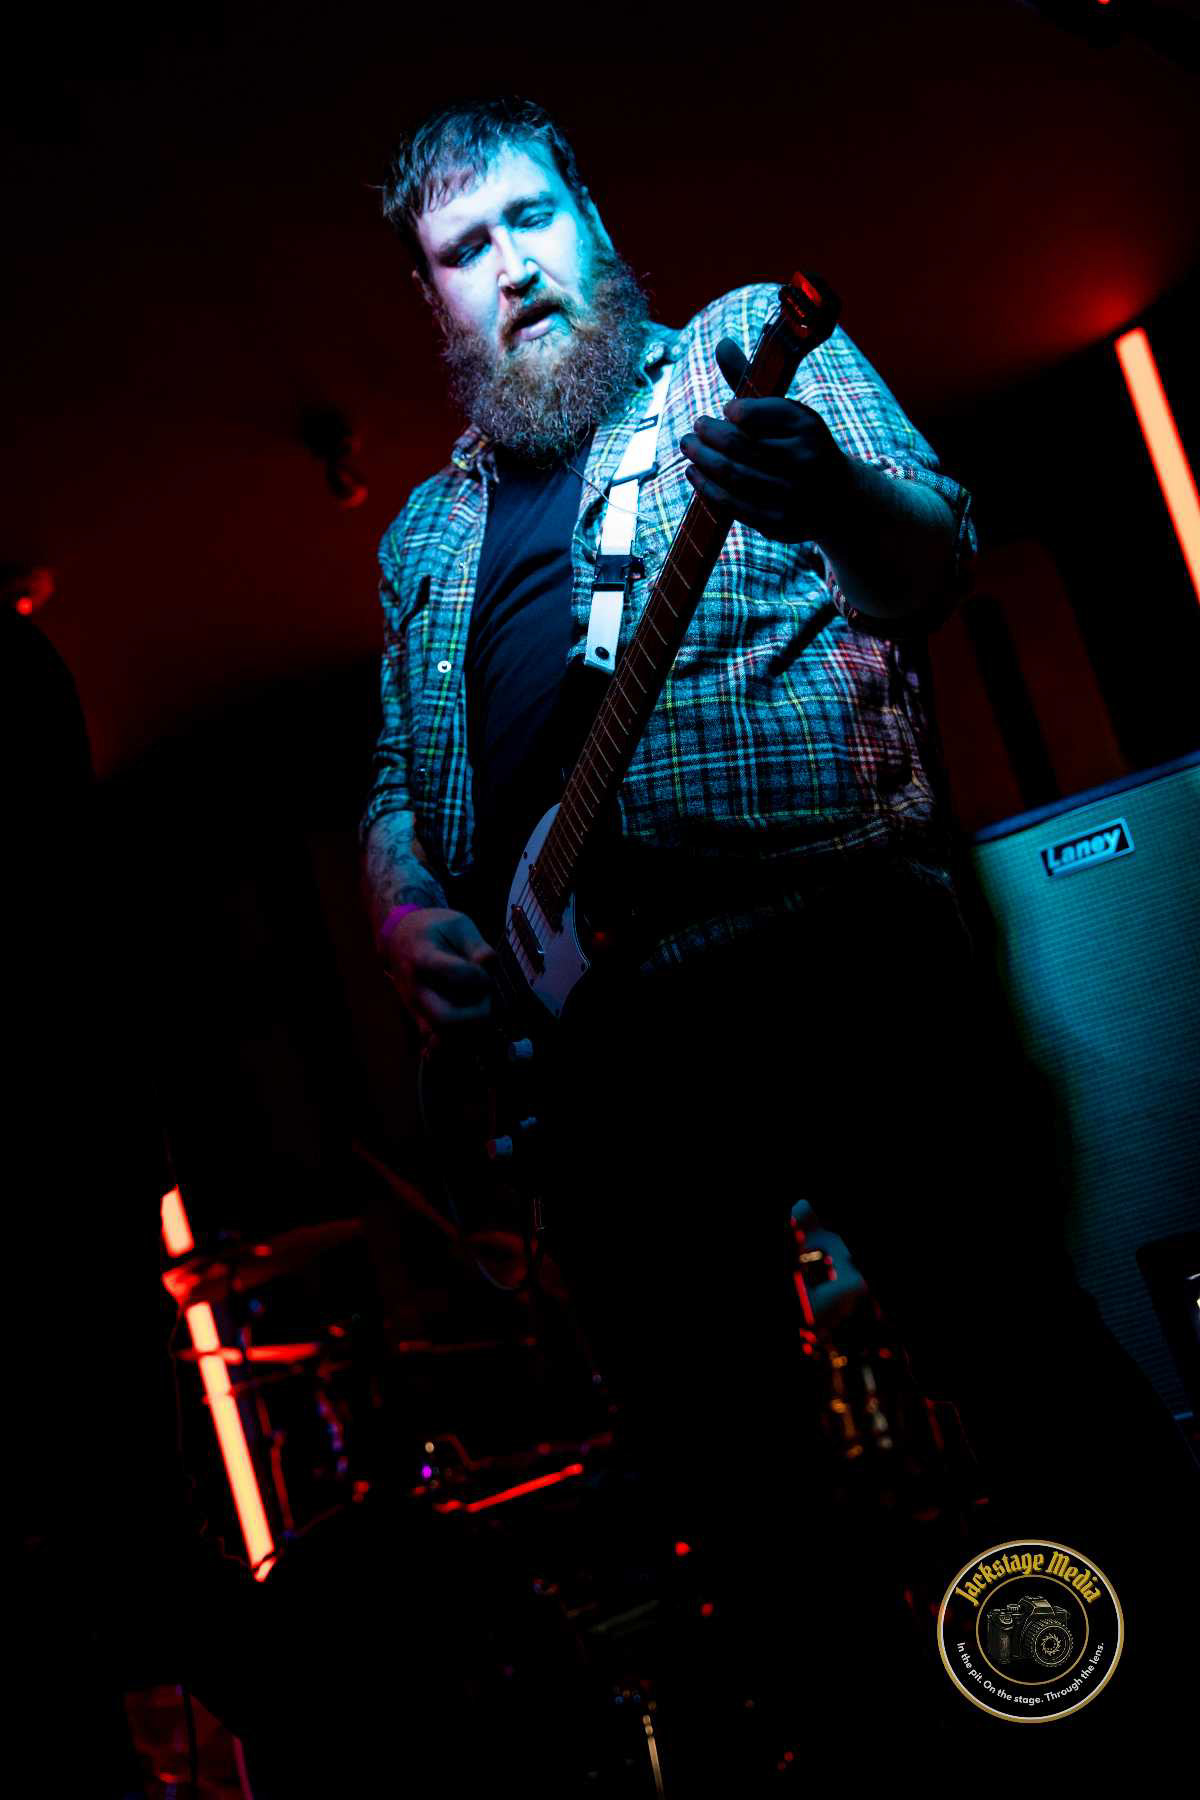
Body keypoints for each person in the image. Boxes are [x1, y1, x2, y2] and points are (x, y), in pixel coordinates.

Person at [359, 97, 1196, 1775]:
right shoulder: (420, 540)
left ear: (590, 216)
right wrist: (398, 914)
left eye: (530, 217)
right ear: (433, 300)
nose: (511, 267)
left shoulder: (739, 353)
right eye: (465, 250)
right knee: (734, 1490)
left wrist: (826, 491)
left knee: (1018, 1357)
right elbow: (398, 779)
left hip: (825, 946)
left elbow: (927, 555)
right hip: (592, 1058)